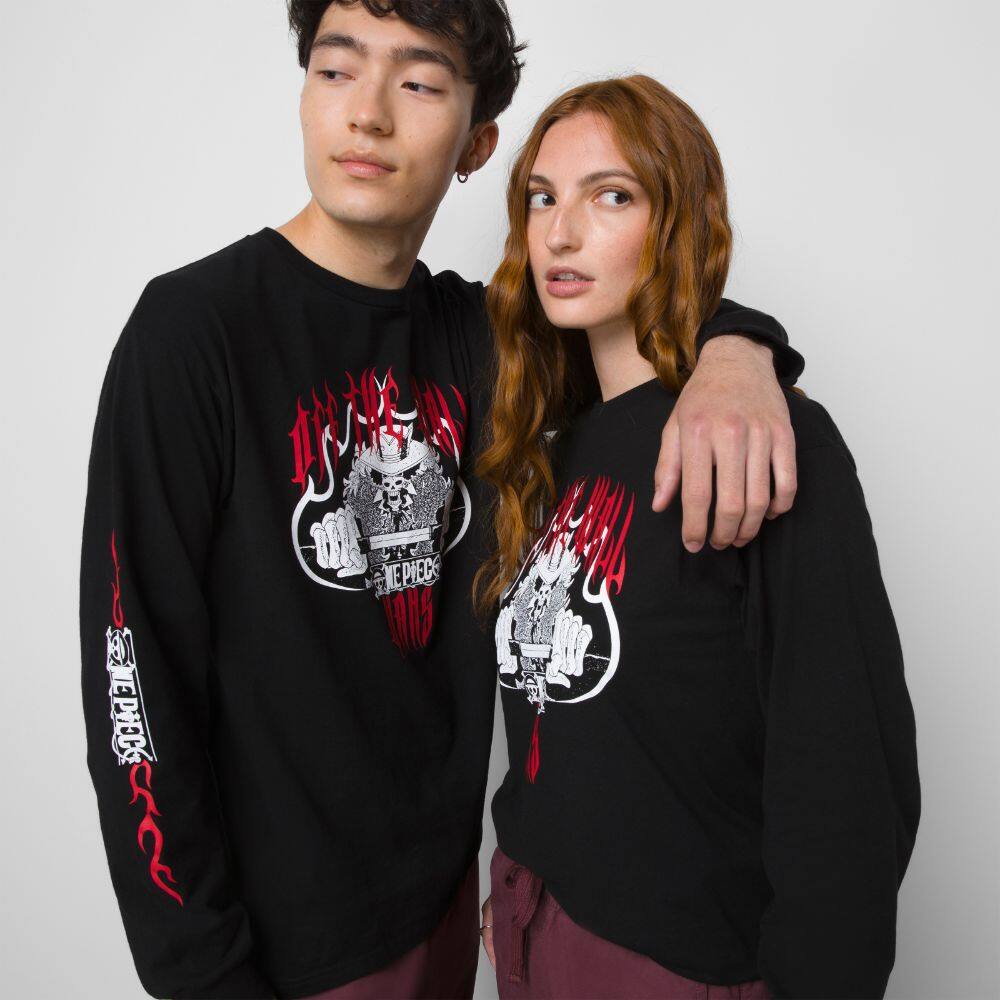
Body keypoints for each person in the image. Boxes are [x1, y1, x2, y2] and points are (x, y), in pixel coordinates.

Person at [80, 4, 805, 999]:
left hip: (452, 921)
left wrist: (740, 350)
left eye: (418, 82)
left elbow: (639, 322)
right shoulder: (193, 332)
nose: (368, 113)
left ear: (476, 144)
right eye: (337, 71)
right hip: (272, 951)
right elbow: (132, 678)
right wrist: (201, 971)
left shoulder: (486, 343)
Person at [475, 75, 920, 999]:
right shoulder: (550, 443)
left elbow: (846, 776)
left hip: (677, 962)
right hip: (531, 924)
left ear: (676, 221)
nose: (560, 233)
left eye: (611, 196)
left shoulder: (763, 439)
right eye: (542, 198)